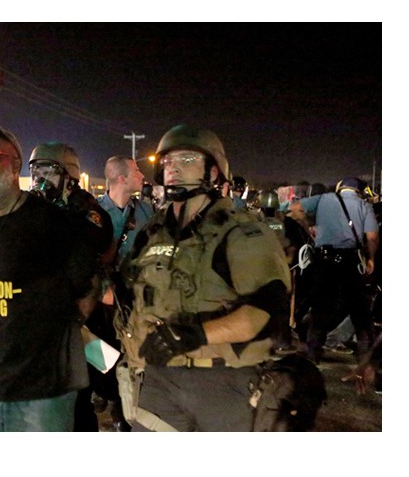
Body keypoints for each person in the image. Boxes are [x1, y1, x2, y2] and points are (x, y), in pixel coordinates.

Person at [118, 124, 293, 431]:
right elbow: (126, 291)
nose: (172, 168)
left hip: (224, 381)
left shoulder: (240, 232)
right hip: (158, 378)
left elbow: (270, 310)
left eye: (187, 160)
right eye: (168, 161)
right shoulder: (152, 231)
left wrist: (198, 334)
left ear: (214, 173)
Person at [0, 118, 99, 432]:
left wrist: (52, 334)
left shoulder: (54, 223)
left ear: (15, 166)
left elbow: (88, 288)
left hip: (43, 386)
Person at [28, 141, 113, 432]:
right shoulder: (30, 206)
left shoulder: (86, 209)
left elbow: (98, 239)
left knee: (78, 401)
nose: (39, 178)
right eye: (34, 170)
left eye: (47, 171)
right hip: (39, 319)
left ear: (68, 175)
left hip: (79, 319)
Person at [288, 177, 379, 364]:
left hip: (324, 261)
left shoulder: (323, 199)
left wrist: (309, 228)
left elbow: (295, 208)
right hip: (349, 261)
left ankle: (313, 356)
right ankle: (367, 361)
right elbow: (372, 237)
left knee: (320, 309)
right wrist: (370, 259)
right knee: (360, 312)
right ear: (358, 191)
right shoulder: (364, 206)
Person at [96, 155, 155, 430]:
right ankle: (103, 391)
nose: (142, 175)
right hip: (100, 297)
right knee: (98, 348)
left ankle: (122, 409)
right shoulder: (94, 212)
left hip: (133, 296)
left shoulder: (145, 212)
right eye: (136, 170)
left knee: (129, 352)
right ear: (121, 178)